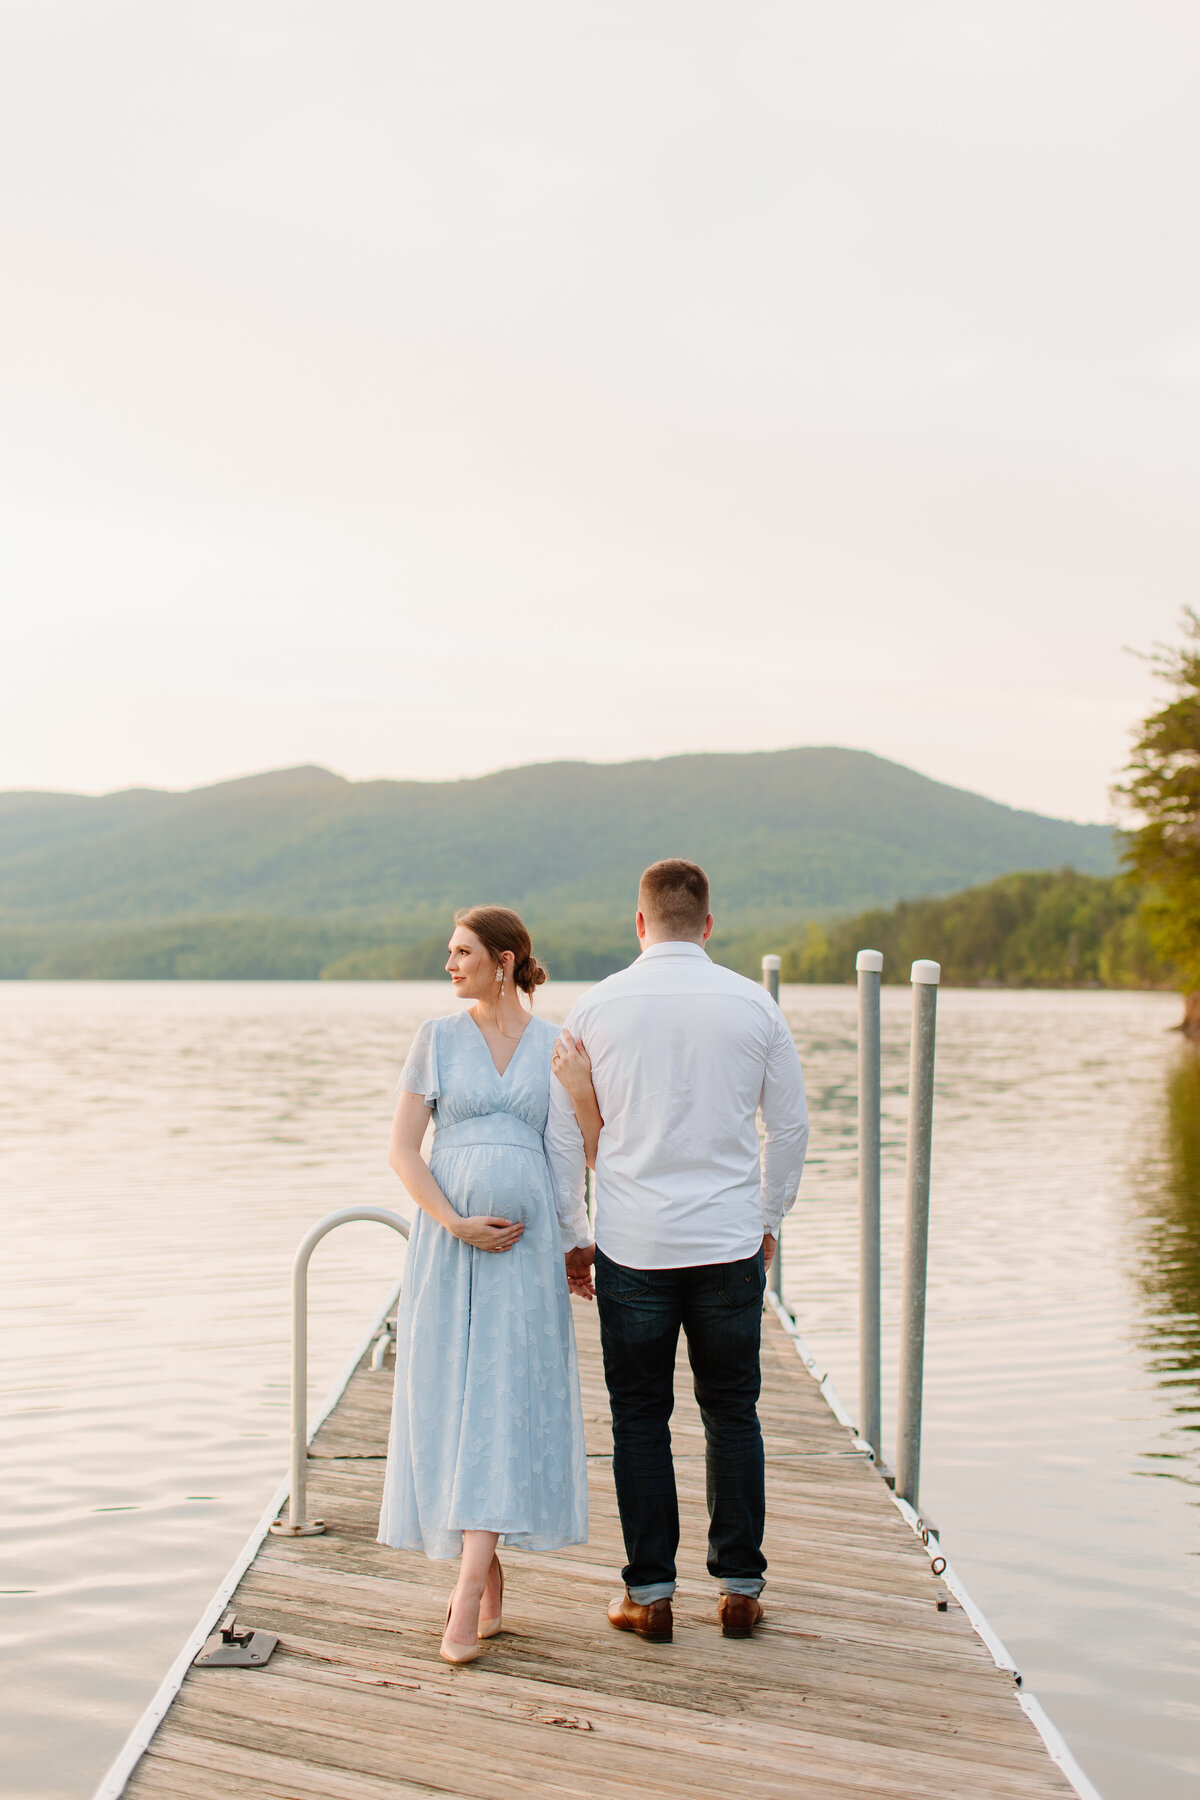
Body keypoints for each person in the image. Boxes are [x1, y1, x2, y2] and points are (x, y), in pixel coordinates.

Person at [546, 858, 808, 1643]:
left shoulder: (594, 1008)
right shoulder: (754, 1005)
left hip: (634, 1244)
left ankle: (650, 1595)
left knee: (639, 1419)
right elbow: (789, 1129)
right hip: (728, 1244)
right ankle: (738, 1587)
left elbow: (565, 1137)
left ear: (638, 923)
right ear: (707, 923)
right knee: (733, 1414)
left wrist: (574, 1237)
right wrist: (769, 1218)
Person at [377, 906, 598, 1666]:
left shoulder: (554, 1045)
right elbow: (405, 1153)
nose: (450, 963)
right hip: (450, 1248)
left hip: (528, 1256)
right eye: (449, 952)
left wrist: (576, 1242)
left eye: (463, 951)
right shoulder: (435, 1040)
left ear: (504, 961)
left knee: (506, 1401)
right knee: (454, 1401)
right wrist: (454, 1221)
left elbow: (569, 1154)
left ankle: (466, 1596)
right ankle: (488, 1573)